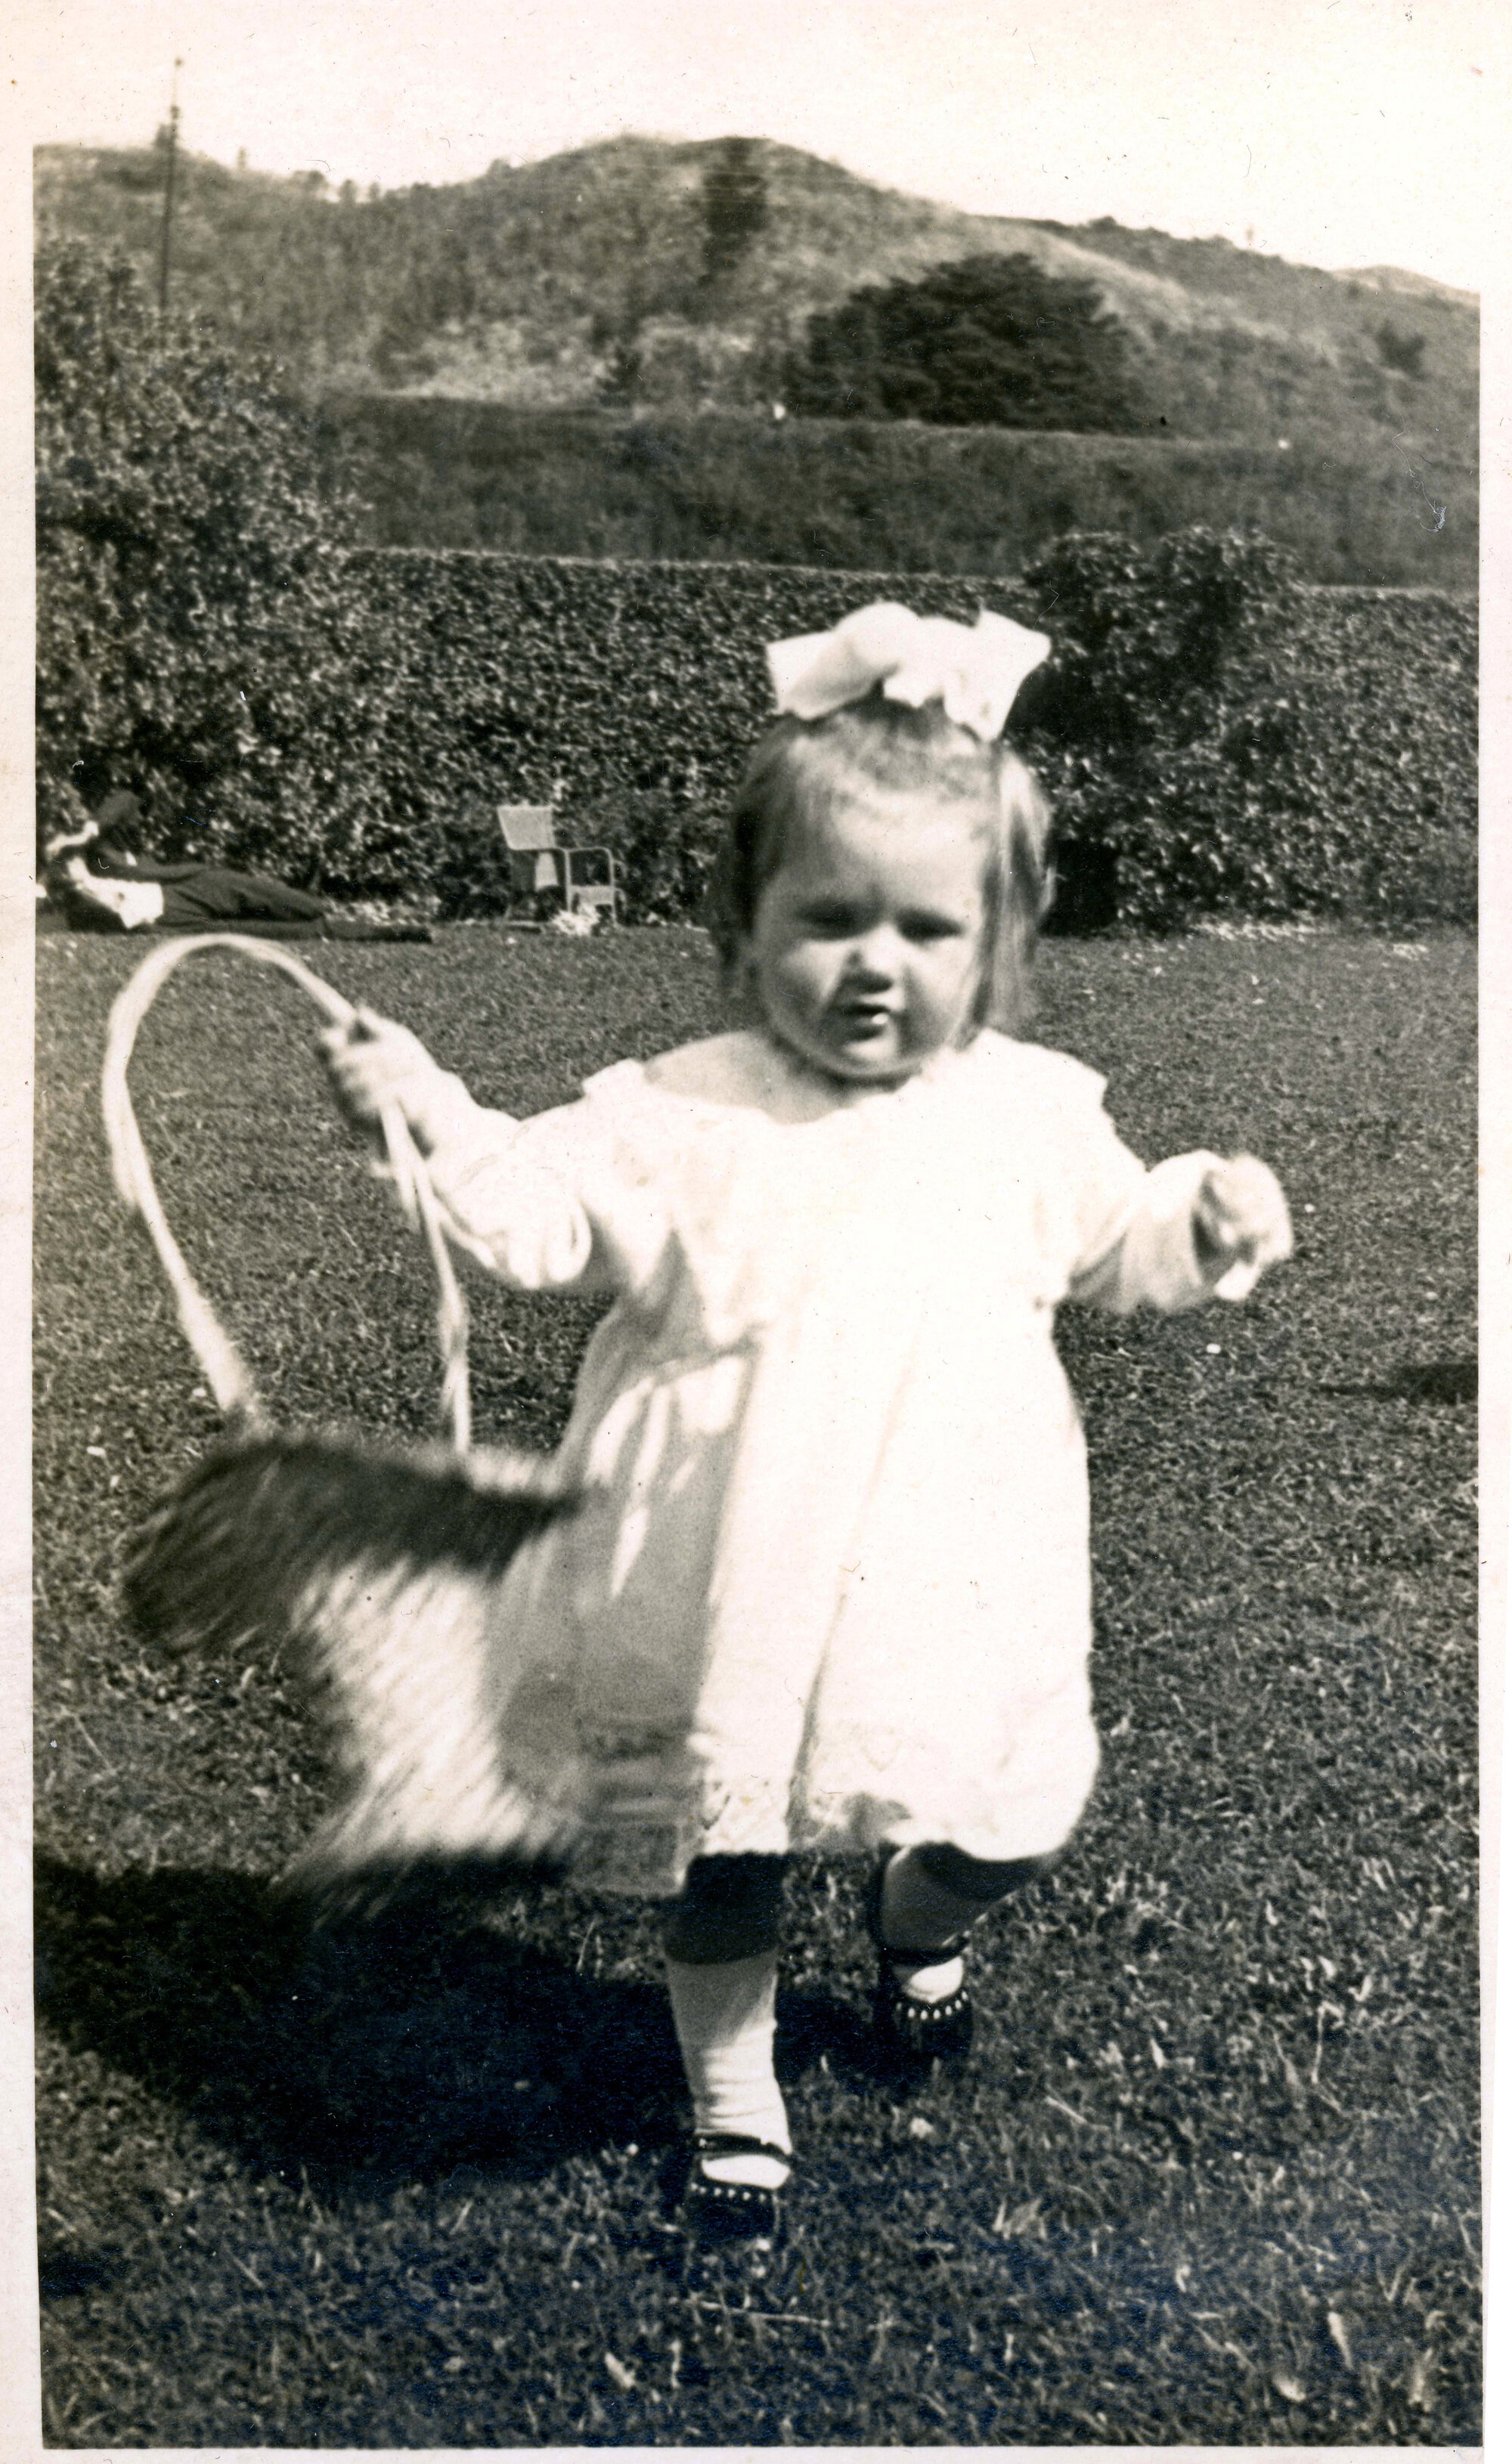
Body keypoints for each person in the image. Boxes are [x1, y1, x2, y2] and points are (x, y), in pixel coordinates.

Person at [319, 602, 1293, 2248]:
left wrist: (1198, 1217)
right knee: (731, 1835)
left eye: (925, 928)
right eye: (827, 917)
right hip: (723, 1557)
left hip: (950, 1546)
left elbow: (1112, 1237)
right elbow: (539, 1217)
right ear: (744, 921)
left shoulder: (1025, 1116)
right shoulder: (681, 1113)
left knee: (1001, 1804)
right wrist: (429, 1109)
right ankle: (732, 2093)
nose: (872, 963)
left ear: (996, 943)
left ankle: (923, 1917)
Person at [42, 793, 430, 939]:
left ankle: (330, 910)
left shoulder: (101, 854)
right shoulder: (77, 907)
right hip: (178, 920)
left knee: (291, 903)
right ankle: (392, 931)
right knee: (277, 931)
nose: (67, 866)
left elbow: (125, 799)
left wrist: (84, 832)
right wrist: (71, 888)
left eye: (65, 858)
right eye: (60, 868)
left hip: (190, 887)